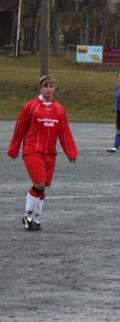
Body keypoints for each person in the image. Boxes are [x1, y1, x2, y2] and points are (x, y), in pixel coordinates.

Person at [7, 75, 78, 231]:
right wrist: (14, 148)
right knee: (39, 183)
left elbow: (65, 133)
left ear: (55, 89)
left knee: (43, 186)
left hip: (50, 153)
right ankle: (27, 215)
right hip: (32, 150)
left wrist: (71, 151)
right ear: (40, 88)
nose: (49, 89)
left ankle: (36, 217)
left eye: (52, 86)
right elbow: (20, 129)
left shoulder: (59, 109)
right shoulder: (31, 107)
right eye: (46, 86)